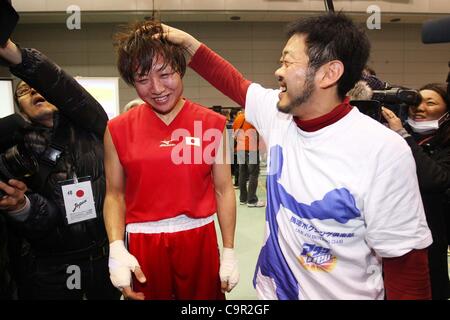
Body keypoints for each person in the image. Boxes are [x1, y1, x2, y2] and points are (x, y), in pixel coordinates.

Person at [161, 12, 433, 300]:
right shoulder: (279, 115)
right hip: (272, 292)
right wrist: (187, 43)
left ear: (329, 73)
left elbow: (406, 265)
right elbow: (234, 83)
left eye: (288, 62)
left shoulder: (383, 151)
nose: (278, 71)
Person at [104, 20, 238, 300]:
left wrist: (229, 250)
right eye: (142, 80)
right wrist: (116, 247)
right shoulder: (117, 128)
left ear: (181, 69)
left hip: (198, 238)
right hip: (143, 242)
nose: (156, 88)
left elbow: (223, 189)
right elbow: (114, 195)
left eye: (165, 74)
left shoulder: (212, 123)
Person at [0, 39, 119, 300]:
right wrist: (23, 207)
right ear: (20, 108)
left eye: (37, 87)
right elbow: (41, 222)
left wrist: (19, 57)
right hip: (52, 268)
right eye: (23, 91)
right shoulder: (15, 152)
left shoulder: (92, 124)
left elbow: (64, 88)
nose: (33, 91)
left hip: (105, 259)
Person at [381, 83, 450, 300]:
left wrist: (402, 135)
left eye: (430, 103)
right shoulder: (393, 135)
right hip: (392, 232)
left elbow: (433, 179)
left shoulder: (443, 143)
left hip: (431, 235)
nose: (420, 108)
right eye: (416, 102)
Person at [232, 111, 265, 207]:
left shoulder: (238, 118)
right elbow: (259, 134)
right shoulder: (253, 118)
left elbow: (234, 131)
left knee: (242, 172)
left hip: (240, 148)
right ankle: (252, 200)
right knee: (253, 173)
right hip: (251, 148)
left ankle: (243, 198)